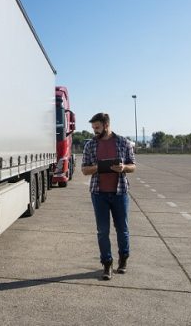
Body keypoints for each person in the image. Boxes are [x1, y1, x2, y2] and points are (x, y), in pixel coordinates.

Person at [81, 112, 136, 280]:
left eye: (97, 127)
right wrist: (97, 167)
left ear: (106, 125)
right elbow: (84, 170)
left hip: (120, 193)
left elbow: (133, 166)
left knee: (122, 229)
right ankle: (107, 264)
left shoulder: (123, 142)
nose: (94, 131)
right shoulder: (90, 145)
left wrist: (124, 168)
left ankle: (123, 259)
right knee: (102, 231)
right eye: (93, 128)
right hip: (99, 194)